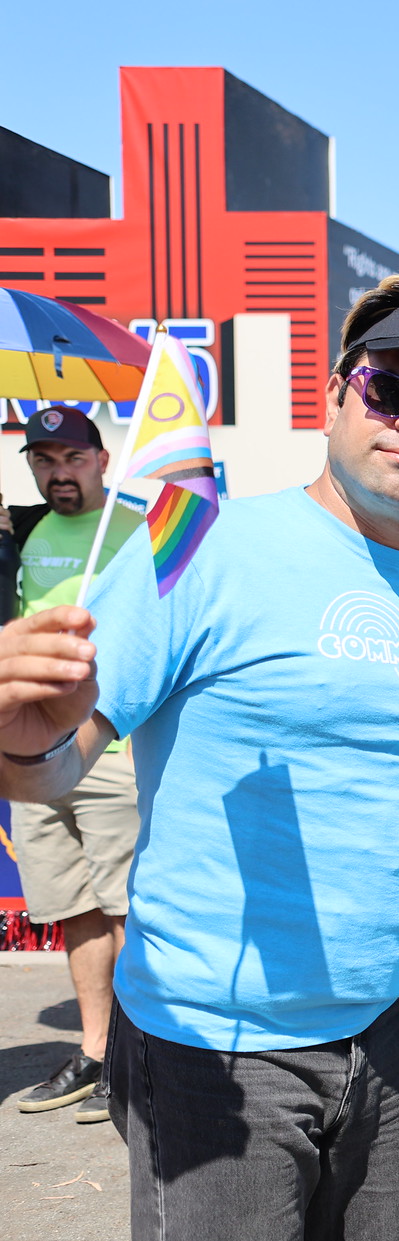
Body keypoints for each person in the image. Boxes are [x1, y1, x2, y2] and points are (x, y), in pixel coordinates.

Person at [0, 274, 399, 1241]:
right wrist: (22, 732)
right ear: (336, 393)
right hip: (219, 1043)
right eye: (391, 389)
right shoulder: (196, 544)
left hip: (385, 1027)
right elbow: (58, 771)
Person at [8, 406, 145, 1123]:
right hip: (35, 754)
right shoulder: (22, 530)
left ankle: (135, 1060)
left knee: (127, 907)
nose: (58, 472)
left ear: (99, 458)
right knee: (75, 909)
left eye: (71, 457)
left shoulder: (137, 527)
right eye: (43, 459)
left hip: (111, 746)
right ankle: (94, 1052)